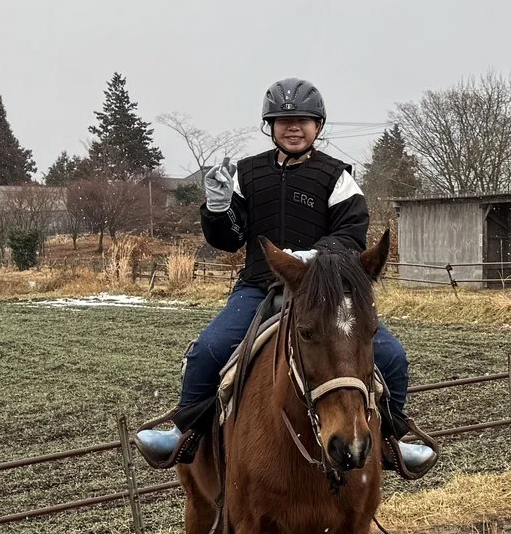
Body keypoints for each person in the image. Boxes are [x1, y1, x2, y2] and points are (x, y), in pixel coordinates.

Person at [169, 78, 433, 477]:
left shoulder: (337, 176)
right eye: (283, 121)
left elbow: (351, 235)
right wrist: (218, 209)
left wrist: (315, 255)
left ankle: (392, 438)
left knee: (392, 356)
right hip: (259, 286)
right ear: (270, 127)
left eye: (303, 121)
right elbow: (229, 239)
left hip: (325, 292)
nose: (293, 128)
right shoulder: (247, 174)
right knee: (208, 349)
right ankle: (184, 431)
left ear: (318, 126)